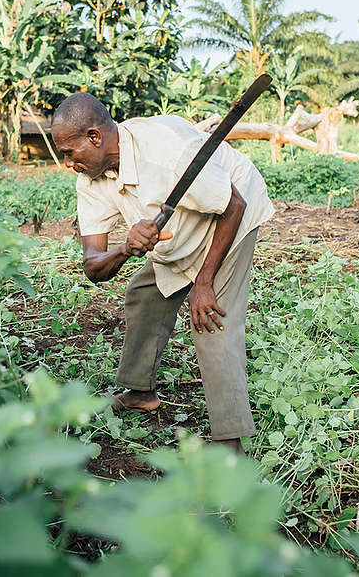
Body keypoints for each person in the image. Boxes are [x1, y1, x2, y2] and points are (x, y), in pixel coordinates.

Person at [50, 93, 274, 453]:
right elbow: (93, 265)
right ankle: (140, 392)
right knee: (145, 294)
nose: (67, 162)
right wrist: (125, 248)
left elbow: (233, 206)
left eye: (69, 152)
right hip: (179, 230)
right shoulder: (90, 181)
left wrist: (203, 282)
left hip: (231, 217)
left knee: (210, 320)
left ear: (94, 137)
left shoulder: (167, 151)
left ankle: (229, 444)